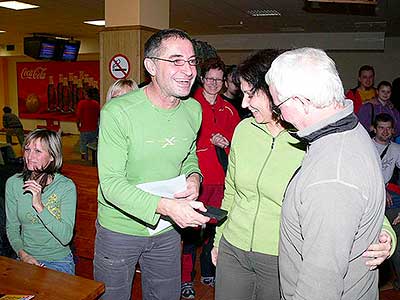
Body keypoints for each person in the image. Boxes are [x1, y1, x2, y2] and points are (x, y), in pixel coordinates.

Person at [211, 50, 394, 300]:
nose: (243, 103)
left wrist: (385, 232)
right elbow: (231, 191)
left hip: (278, 256)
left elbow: (346, 195)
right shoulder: (244, 130)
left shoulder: (308, 137)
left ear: (275, 93)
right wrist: (219, 239)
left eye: (250, 93)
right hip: (234, 248)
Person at [94, 28, 210, 300]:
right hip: (119, 228)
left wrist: (194, 177)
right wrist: (167, 206)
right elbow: (111, 184)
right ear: (151, 66)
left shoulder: (194, 110)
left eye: (192, 61)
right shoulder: (118, 112)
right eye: (176, 60)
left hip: (166, 229)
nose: (188, 70)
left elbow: (189, 155)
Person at [265, 47, 387, 300]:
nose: (280, 116)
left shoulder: (331, 177)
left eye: (278, 107)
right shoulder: (348, 127)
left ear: (301, 101)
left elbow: (319, 289)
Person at [180, 57, 240, 299]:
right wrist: (208, 141)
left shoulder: (230, 109)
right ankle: (185, 279)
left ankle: (208, 271)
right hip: (197, 181)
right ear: (202, 79)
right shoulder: (189, 106)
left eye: (219, 79)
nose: (214, 83)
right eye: (210, 78)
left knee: (214, 232)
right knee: (192, 233)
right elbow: (185, 142)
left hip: (222, 181)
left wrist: (227, 143)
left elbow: (238, 143)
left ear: (224, 82)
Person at [5, 129, 77, 274]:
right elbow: (12, 228)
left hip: (57, 261)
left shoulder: (65, 187)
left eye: (38, 151)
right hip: (26, 258)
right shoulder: (13, 184)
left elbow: (65, 237)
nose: (30, 156)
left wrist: (39, 205)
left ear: (52, 156)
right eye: (27, 149)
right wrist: (23, 254)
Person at [371, 113, 400, 289]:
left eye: (388, 128)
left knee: (395, 234)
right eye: (381, 127)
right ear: (374, 129)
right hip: (370, 195)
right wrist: (381, 189)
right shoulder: (366, 145)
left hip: (388, 197)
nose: (385, 131)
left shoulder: (396, 148)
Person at [76, 87, 100, 160]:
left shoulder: (81, 103)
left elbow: (78, 117)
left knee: (83, 144)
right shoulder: (96, 103)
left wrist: (78, 126)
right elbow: (99, 115)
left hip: (84, 128)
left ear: (86, 95)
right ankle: (94, 159)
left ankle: (84, 159)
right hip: (94, 128)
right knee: (93, 145)